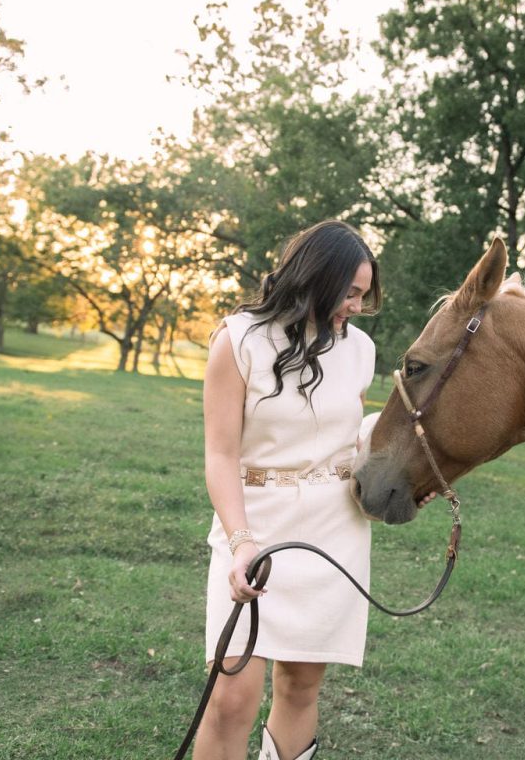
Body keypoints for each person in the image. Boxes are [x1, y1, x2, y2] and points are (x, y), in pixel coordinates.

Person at [193, 220, 381, 760]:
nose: (357, 307)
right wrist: (241, 541)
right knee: (231, 696)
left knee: (301, 687)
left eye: (363, 296)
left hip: (333, 531)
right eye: (350, 293)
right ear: (315, 279)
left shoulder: (361, 349)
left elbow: (345, 437)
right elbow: (221, 454)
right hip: (254, 527)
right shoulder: (238, 339)